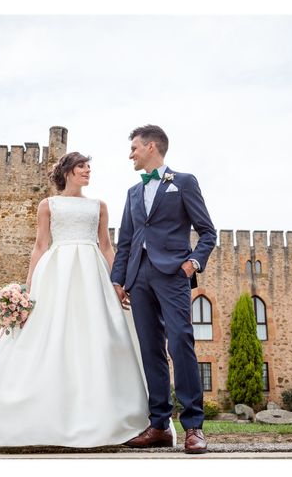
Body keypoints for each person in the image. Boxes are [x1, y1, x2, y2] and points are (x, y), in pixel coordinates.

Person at [0, 152, 151, 449]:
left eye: (89, 167)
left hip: (92, 272)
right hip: (56, 273)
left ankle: (105, 414)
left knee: (98, 335)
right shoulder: (48, 205)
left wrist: (119, 281)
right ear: (68, 171)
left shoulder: (99, 206)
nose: (87, 171)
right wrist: (28, 289)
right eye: (82, 166)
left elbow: (108, 247)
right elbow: (40, 246)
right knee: (48, 334)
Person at [111, 125, 216, 454]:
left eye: (134, 148)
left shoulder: (183, 182)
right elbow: (125, 240)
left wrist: (193, 263)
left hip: (173, 274)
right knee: (150, 350)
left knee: (181, 342)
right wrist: (118, 280)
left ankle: (194, 426)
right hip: (138, 278)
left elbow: (207, 232)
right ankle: (159, 426)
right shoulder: (131, 192)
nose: (131, 154)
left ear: (151, 146)